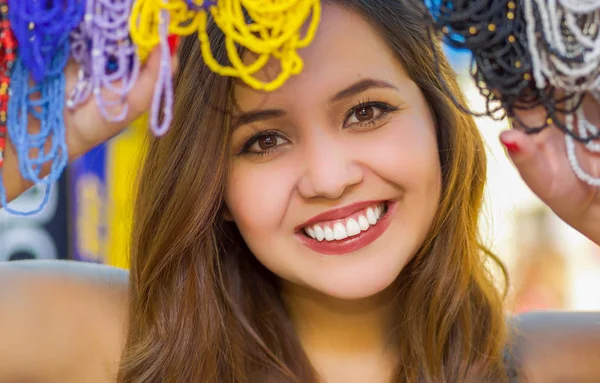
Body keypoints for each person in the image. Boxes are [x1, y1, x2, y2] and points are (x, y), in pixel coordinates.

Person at [1, 0, 600, 382]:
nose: (328, 178)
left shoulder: (555, 363)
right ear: (214, 181)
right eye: (263, 142)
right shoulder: (108, 339)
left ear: (441, 124)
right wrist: (15, 156)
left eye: (366, 111)